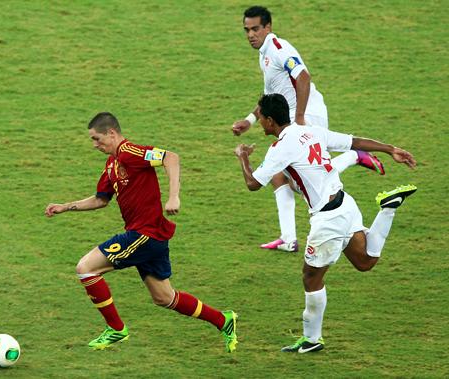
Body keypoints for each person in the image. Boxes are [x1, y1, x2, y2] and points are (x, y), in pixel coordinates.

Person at [234, 93, 416, 353]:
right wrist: (390, 149)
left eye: (261, 118)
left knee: (311, 277)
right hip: (345, 204)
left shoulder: (281, 147)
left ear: (271, 121)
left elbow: (253, 184)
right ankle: (388, 209)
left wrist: (242, 157)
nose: (260, 122)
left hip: (327, 220)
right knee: (365, 262)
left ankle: (311, 339)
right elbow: (353, 142)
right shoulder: (311, 131)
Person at [45, 112, 238, 352]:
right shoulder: (112, 164)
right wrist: (65, 207)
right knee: (164, 298)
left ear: (112, 133)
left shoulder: (130, 152)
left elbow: (171, 157)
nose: (94, 145)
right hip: (150, 238)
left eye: (96, 139)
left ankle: (116, 330)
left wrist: (174, 196)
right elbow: (100, 199)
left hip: (144, 234)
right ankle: (224, 320)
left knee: (86, 268)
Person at [232, 6, 386, 252]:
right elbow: (270, 95)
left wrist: (301, 118)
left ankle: (354, 156)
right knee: (280, 173)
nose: (251, 34)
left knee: (304, 177)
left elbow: (303, 77)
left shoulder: (280, 49)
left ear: (268, 27)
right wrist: (250, 120)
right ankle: (288, 238)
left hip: (307, 115)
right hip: (293, 116)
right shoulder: (264, 54)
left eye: (255, 29)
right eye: (247, 30)